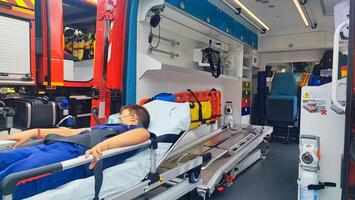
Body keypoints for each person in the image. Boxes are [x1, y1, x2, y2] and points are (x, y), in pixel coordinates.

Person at [0, 104, 150, 199]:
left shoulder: (132, 130)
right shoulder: (104, 127)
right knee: (4, 158)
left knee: (11, 178)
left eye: (120, 114)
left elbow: (143, 134)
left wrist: (104, 146)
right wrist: (34, 132)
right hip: (53, 147)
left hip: (71, 156)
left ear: (132, 117)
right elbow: (70, 132)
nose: (116, 117)